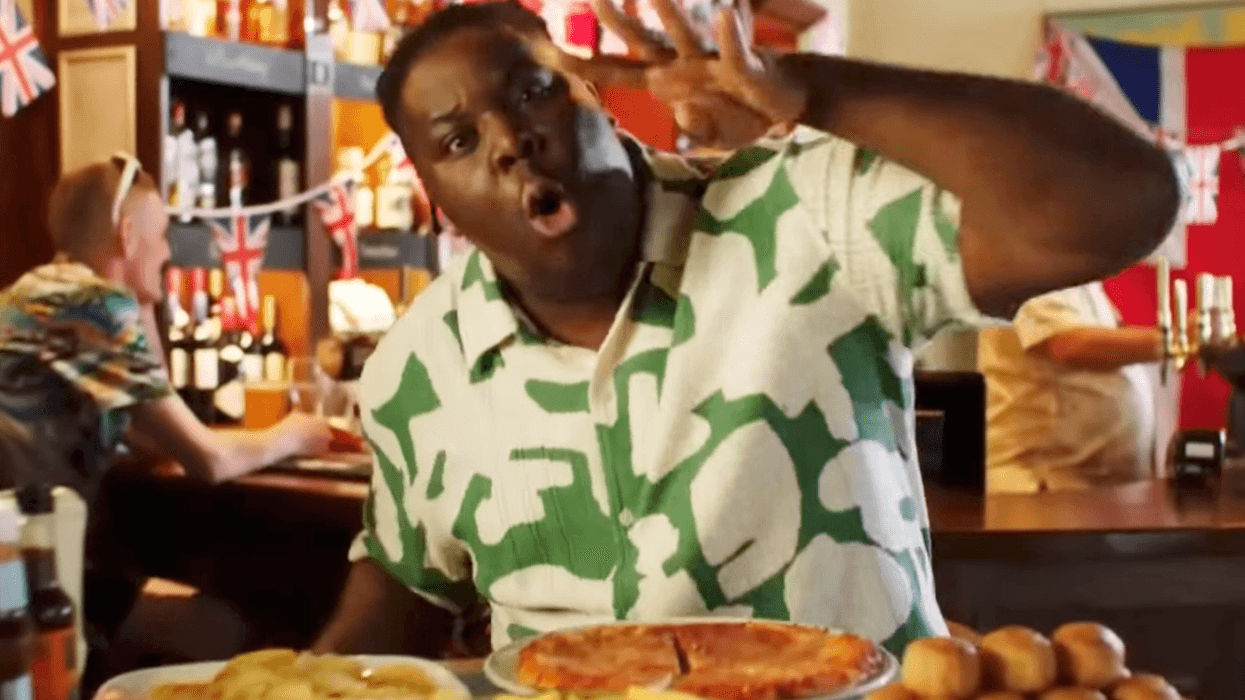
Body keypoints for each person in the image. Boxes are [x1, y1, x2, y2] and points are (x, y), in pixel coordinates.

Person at [313, 0, 1181, 656]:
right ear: (438, 204)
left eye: (535, 90)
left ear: (599, 102)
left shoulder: (802, 214)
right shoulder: (414, 369)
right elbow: (407, 582)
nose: (509, 141)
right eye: (458, 141)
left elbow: (1123, 205)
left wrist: (814, 91)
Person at [0, 155, 334, 680]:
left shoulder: (32, 296)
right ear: (128, 236)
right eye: (161, 236)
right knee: (236, 627)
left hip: (26, 570)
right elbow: (206, 458)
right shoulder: (92, 303)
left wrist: (146, 301)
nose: (169, 251)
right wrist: (293, 434)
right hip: (37, 588)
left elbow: (156, 440)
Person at [978, 281, 1166, 493]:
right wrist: (1174, 340)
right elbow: (1068, 345)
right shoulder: (1029, 269)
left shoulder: (1079, 278)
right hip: (1042, 484)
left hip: (1084, 488)